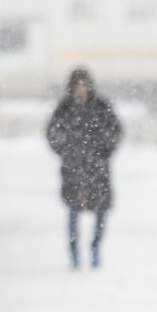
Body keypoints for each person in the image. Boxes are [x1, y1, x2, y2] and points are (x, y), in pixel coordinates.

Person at [47, 68, 122, 270]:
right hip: (73, 169)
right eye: (77, 85)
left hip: (98, 168)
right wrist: (66, 150)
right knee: (73, 212)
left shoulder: (101, 106)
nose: (81, 89)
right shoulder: (65, 108)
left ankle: (95, 248)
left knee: (101, 211)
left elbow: (115, 131)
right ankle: (74, 253)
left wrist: (104, 150)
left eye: (84, 84)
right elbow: (52, 132)